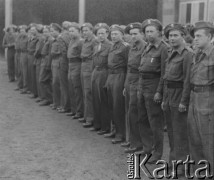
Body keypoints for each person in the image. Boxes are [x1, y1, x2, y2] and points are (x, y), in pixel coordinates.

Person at [136, 19, 168, 163]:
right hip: (142, 85)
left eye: (151, 31)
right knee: (142, 118)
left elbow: (164, 73)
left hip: (154, 86)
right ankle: (147, 148)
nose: (149, 34)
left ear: (159, 32)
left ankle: (157, 152)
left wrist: (159, 92)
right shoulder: (147, 47)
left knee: (155, 121)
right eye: (147, 31)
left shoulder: (163, 48)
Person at [162, 23, 192, 175]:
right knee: (172, 133)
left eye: (175, 35)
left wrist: (184, 101)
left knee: (180, 133)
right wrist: (164, 99)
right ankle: (173, 162)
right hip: (169, 96)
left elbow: (187, 80)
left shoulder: (187, 54)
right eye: (170, 35)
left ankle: (181, 166)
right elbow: (166, 77)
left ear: (183, 36)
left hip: (179, 96)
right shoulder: (170, 52)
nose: (172, 38)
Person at [188, 21, 214, 177]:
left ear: (209, 36)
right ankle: (200, 170)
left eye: (199, 36)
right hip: (194, 97)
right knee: (194, 136)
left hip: (208, 100)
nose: (195, 39)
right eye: (194, 36)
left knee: (208, 138)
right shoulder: (197, 53)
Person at [123, 22, 147, 153]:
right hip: (130, 80)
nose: (133, 36)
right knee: (130, 112)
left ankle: (138, 143)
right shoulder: (132, 47)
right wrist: (125, 84)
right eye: (131, 34)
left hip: (138, 81)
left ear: (142, 34)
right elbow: (129, 66)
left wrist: (139, 86)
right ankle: (132, 140)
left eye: (135, 34)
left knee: (136, 112)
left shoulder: (145, 47)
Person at [105, 25, 129, 144]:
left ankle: (121, 134)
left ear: (122, 35)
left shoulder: (125, 47)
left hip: (120, 76)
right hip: (111, 76)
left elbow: (128, 66)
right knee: (111, 104)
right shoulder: (112, 46)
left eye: (116, 34)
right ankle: (114, 129)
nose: (113, 36)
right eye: (112, 34)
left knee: (118, 106)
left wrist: (125, 83)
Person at [90, 23, 112, 134]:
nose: (100, 36)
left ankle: (105, 126)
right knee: (95, 99)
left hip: (104, 73)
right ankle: (97, 124)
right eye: (98, 34)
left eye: (103, 33)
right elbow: (94, 62)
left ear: (107, 34)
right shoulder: (96, 46)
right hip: (96, 72)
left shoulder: (110, 46)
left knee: (103, 100)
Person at [80, 23, 97, 128]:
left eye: (86, 30)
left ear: (91, 30)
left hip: (89, 67)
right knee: (84, 92)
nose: (84, 32)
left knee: (88, 93)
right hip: (84, 66)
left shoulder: (94, 41)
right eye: (83, 31)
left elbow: (94, 55)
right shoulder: (85, 41)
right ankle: (86, 115)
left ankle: (91, 118)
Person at [67, 22, 84, 119]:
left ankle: (79, 111)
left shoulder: (80, 41)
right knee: (71, 87)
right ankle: (73, 109)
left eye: (73, 31)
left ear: (78, 31)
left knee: (77, 88)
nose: (71, 33)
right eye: (69, 31)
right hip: (70, 64)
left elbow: (82, 56)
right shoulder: (71, 41)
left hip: (77, 64)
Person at [39, 26, 54, 106]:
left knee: (43, 80)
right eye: (43, 32)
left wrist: (48, 64)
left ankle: (48, 99)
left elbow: (50, 53)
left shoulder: (51, 40)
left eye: (46, 31)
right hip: (43, 60)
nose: (45, 33)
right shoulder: (45, 40)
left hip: (47, 62)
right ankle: (46, 98)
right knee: (43, 80)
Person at [50, 23, 63, 110]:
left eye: (53, 31)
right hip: (54, 61)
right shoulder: (54, 40)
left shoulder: (60, 39)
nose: (51, 33)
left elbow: (61, 51)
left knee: (57, 83)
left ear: (58, 31)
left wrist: (54, 53)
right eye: (51, 31)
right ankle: (56, 102)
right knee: (54, 83)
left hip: (58, 61)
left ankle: (59, 103)